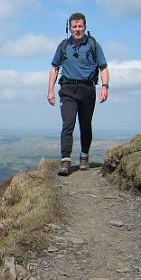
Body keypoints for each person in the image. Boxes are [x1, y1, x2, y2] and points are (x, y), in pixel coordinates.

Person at [47, 12, 109, 176]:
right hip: (67, 90)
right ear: (70, 28)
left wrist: (105, 87)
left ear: (85, 27)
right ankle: (65, 161)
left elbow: (103, 67)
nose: (77, 29)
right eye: (74, 26)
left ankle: (84, 157)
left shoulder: (93, 45)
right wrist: (50, 91)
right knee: (68, 124)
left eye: (80, 26)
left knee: (85, 124)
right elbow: (54, 68)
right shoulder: (63, 46)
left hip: (88, 90)